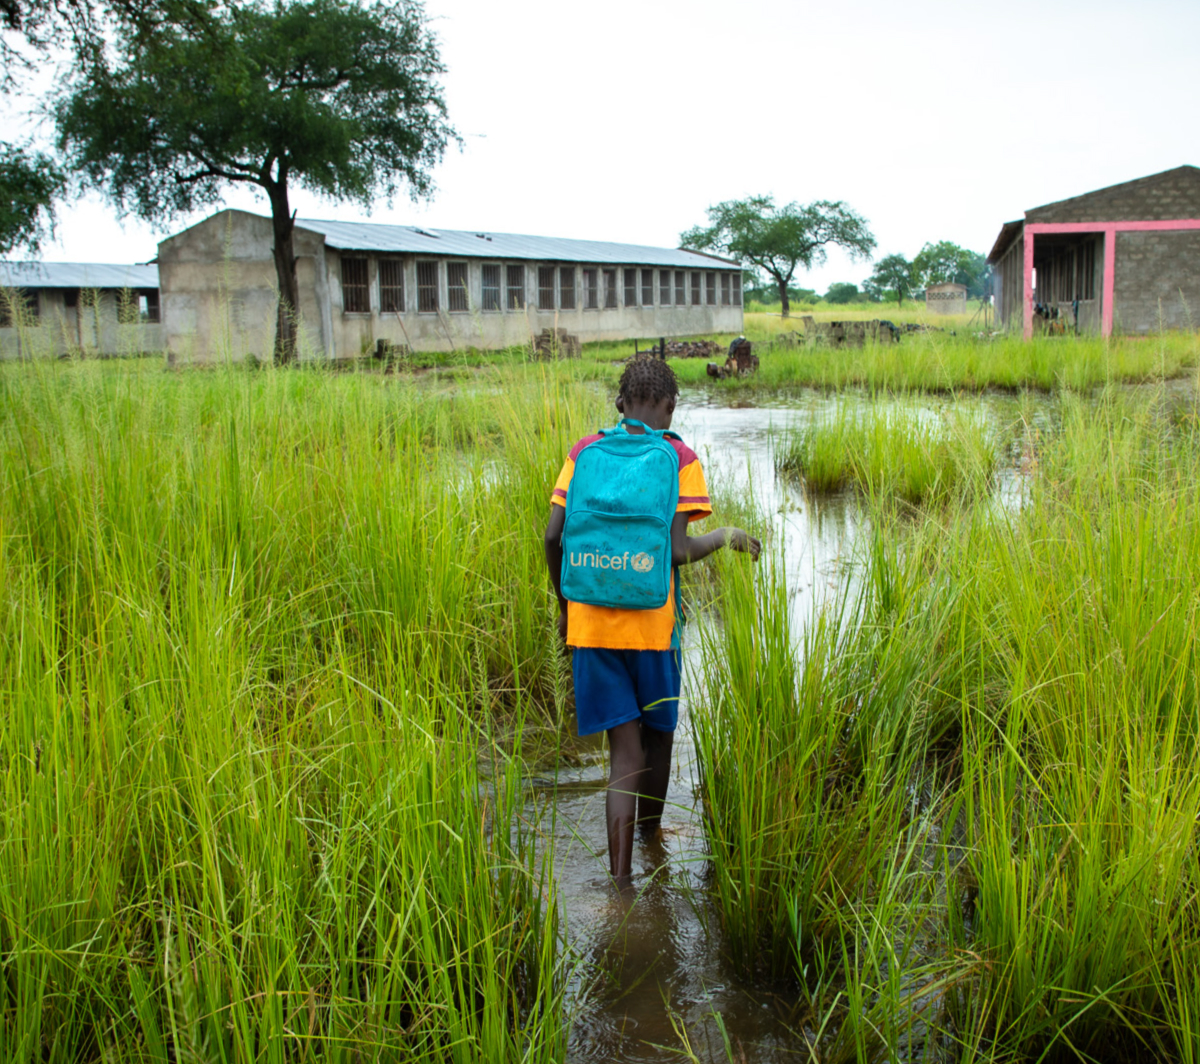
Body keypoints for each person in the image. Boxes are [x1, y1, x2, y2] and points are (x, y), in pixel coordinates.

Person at [543, 357, 761, 887]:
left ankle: (619, 886)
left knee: (624, 754)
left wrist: (567, 610)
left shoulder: (582, 452)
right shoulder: (679, 456)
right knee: (658, 738)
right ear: (670, 406)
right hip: (654, 631)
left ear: (620, 405)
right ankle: (651, 838)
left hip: (591, 628)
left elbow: (552, 537)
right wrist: (728, 535)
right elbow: (679, 552)